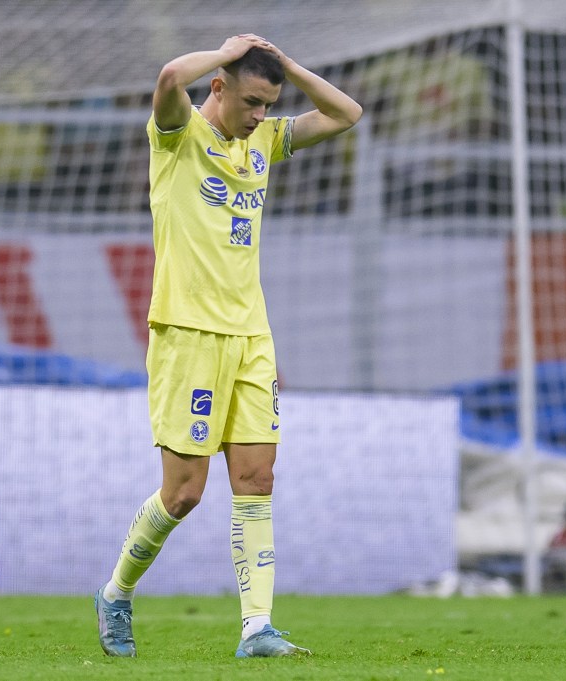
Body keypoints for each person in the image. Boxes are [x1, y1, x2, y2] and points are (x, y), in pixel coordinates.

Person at [94, 33, 362, 658]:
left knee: (257, 477)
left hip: (252, 335)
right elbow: (166, 78)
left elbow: (347, 114)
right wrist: (224, 52)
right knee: (184, 492)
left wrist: (287, 68)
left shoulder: (266, 141)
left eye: (269, 104)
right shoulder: (177, 135)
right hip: (186, 333)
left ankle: (256, 628)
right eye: (251, 102)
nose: (260, 116)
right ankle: (116, 593)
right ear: (218, 88)